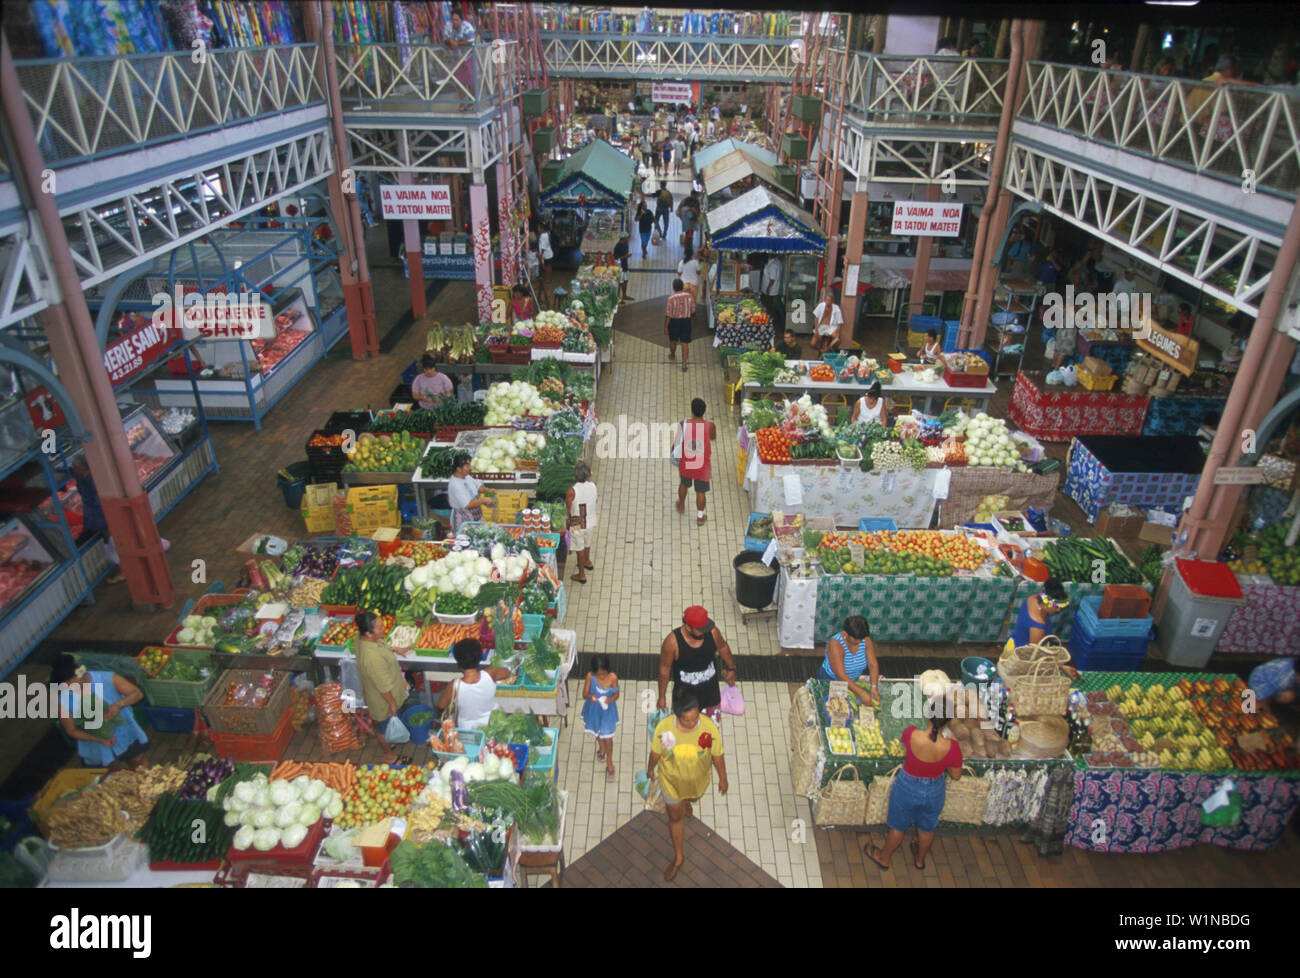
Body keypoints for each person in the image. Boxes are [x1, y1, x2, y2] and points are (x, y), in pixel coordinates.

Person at [865, 699, 963, 872]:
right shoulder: (952, 747)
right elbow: (956, 775)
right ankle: (919, 859)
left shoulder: (911, 733)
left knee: (897, 826)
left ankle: (884, 857)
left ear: (928, 715)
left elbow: (904, 749)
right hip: (934, 791)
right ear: (948, 721)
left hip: (907, 786)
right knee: (926, 828)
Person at [646, 691, 727, 880]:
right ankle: (679, 858)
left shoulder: (709, 728)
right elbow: (656, 754)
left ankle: (687, 802)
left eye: (695, 718)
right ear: (677, 714)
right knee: (675, 818)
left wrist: (723, 777)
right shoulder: (665, 729)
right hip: (671, 782)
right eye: (686, 721)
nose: (692, 724)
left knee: (689, 798)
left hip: (696, 782)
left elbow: (717, 755)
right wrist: (650, 769)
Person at [53, 654, 149, 768]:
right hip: (94, 746)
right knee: (101, 777)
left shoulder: (107, 678)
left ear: (77, 675)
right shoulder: (62, 700)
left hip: (124, 733)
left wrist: (119, 704)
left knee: (138, 763)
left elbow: (137, 694)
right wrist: (97, 738)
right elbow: (72, 731)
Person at [657, 606, 736, 721]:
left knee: (709, 734)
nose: (705, 631)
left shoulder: (713, 632)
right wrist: (662, 697)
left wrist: (731, 668)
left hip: (710, 696)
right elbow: (664, 671)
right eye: (701, 629)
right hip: (684, 700)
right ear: (688, 627)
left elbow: (723, 647)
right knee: (683, 732)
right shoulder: (672, 643)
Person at [354, 611, 411, 764]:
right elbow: (383, 686)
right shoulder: (372, 657)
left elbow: (379, 645)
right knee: (383, 726)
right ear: (368, 633)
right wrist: (392, 704)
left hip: (378, 690)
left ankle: (390, 741)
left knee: (384, 723)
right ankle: (388, 756)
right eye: (379, 628)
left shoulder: (362, 639)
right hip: (382, 698)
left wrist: (393, 649)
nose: (384, 628)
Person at [436, 638, 513, 731]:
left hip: (469, 729)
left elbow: (441, 705)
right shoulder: (490, 673)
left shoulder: (455, 685)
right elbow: (507, 672)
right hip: (494, 723)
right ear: (480, 658)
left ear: (458, 663)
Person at [817, 616, 880, 706]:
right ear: (846, 634)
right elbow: (841, 676)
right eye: (855, 638)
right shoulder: (835, 644)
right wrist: (861, 693)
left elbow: (873, 665)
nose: (858, 641)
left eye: (860, 639)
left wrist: (874, 687)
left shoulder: (865, 640)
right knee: (831, 707)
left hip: (852, 681)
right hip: (831, 680)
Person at [673, 398, 716, 523]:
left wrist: (673, 452)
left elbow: (676, 442)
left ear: (692, 410)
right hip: (702, 464)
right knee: (700, 491)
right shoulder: (710, 426)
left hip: (686, 462)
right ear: (704, 411)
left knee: (683, 483)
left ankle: (681, 505)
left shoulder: (684, 423)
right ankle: (700, 516)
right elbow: (713, 437)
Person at [581, 654, 620, 778]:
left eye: (604, 674)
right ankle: (601, 747)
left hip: (607, 711)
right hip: (593, 710)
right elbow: (585, 694)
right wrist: (590, 697)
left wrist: (611, 699)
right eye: (599, 675)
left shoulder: (613, 678)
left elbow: (616, 695)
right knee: (597, 732)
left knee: (608, 738)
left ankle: (609, 761)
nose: (602, 677)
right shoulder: (590, 677)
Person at [1008, 577, 1070, 653]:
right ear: (1046, 603)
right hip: (1022, 653)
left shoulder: (1032, 598)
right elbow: (1034, 652)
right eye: (1056, 607)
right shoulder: (1038, 627)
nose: (1058, 610)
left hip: (1015, 640)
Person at [565, 461, 597, 583]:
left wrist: (568, 519)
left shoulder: (572, 491)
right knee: (587, 542)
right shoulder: (593, 486)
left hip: (578, 522)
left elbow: (568, 507)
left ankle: (581, 574)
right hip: (590, 519)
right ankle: (587, 561)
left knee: (580, 547)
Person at [447, 452, 492, 534]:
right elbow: (468, 504)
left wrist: (487, 490)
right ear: (459, 469)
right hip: (463, 521)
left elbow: (478, 486)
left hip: (475, 516)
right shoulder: (455, 484)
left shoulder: (466, 476)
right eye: (467, 466)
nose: (470, 468)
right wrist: (483, 500)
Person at [664, 278, 697, 370]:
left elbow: (668, 315)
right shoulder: (690, 296)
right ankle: (684, 364)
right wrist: (690, 320)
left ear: (673, 288)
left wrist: (666, 327)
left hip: (674, 322)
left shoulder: (671, 299)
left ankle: (673, 355)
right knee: (685, 343)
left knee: (673, 341)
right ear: (682, 286)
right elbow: (693, 311)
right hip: (686, 321)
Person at [810, 287, 845, 353]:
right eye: (827, 300)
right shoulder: (821, 306)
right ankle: (821, 350)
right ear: (825, 300)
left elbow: (840, 322)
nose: (828, 302)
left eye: (829, 300)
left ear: (832, 301)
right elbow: (816, 318)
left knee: (837, 341)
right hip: (821, 326)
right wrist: (816, 330)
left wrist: (837, 332)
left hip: (831, 328)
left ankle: (826, 350)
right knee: (813, 344)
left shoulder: (836, 308)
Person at [613, 232, 631, 302]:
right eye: (627, 238)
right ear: (623, 239)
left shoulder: (626, 244)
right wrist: (625, 256)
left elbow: (626, 252)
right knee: (620, 283)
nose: (628, 239)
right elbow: (615, 259)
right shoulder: (617, 247)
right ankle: (618, 298)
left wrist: (627, 255)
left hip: (625, 266)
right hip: (620, 267)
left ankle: (624, 295)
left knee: (626, 281)